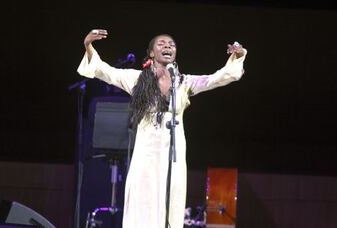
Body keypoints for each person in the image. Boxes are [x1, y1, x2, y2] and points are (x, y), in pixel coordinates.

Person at [77, 29, 247, 228]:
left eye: (171, 44)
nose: (168, 46)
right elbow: (104, 71)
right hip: (146, 156)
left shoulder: (183, 83)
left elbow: (216, 78)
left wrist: (238, 57)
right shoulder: (137, 80)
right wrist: (88, 46)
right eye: (161, 44)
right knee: (144, 203)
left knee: (170, 201)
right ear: (151, 53)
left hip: (173, 155)